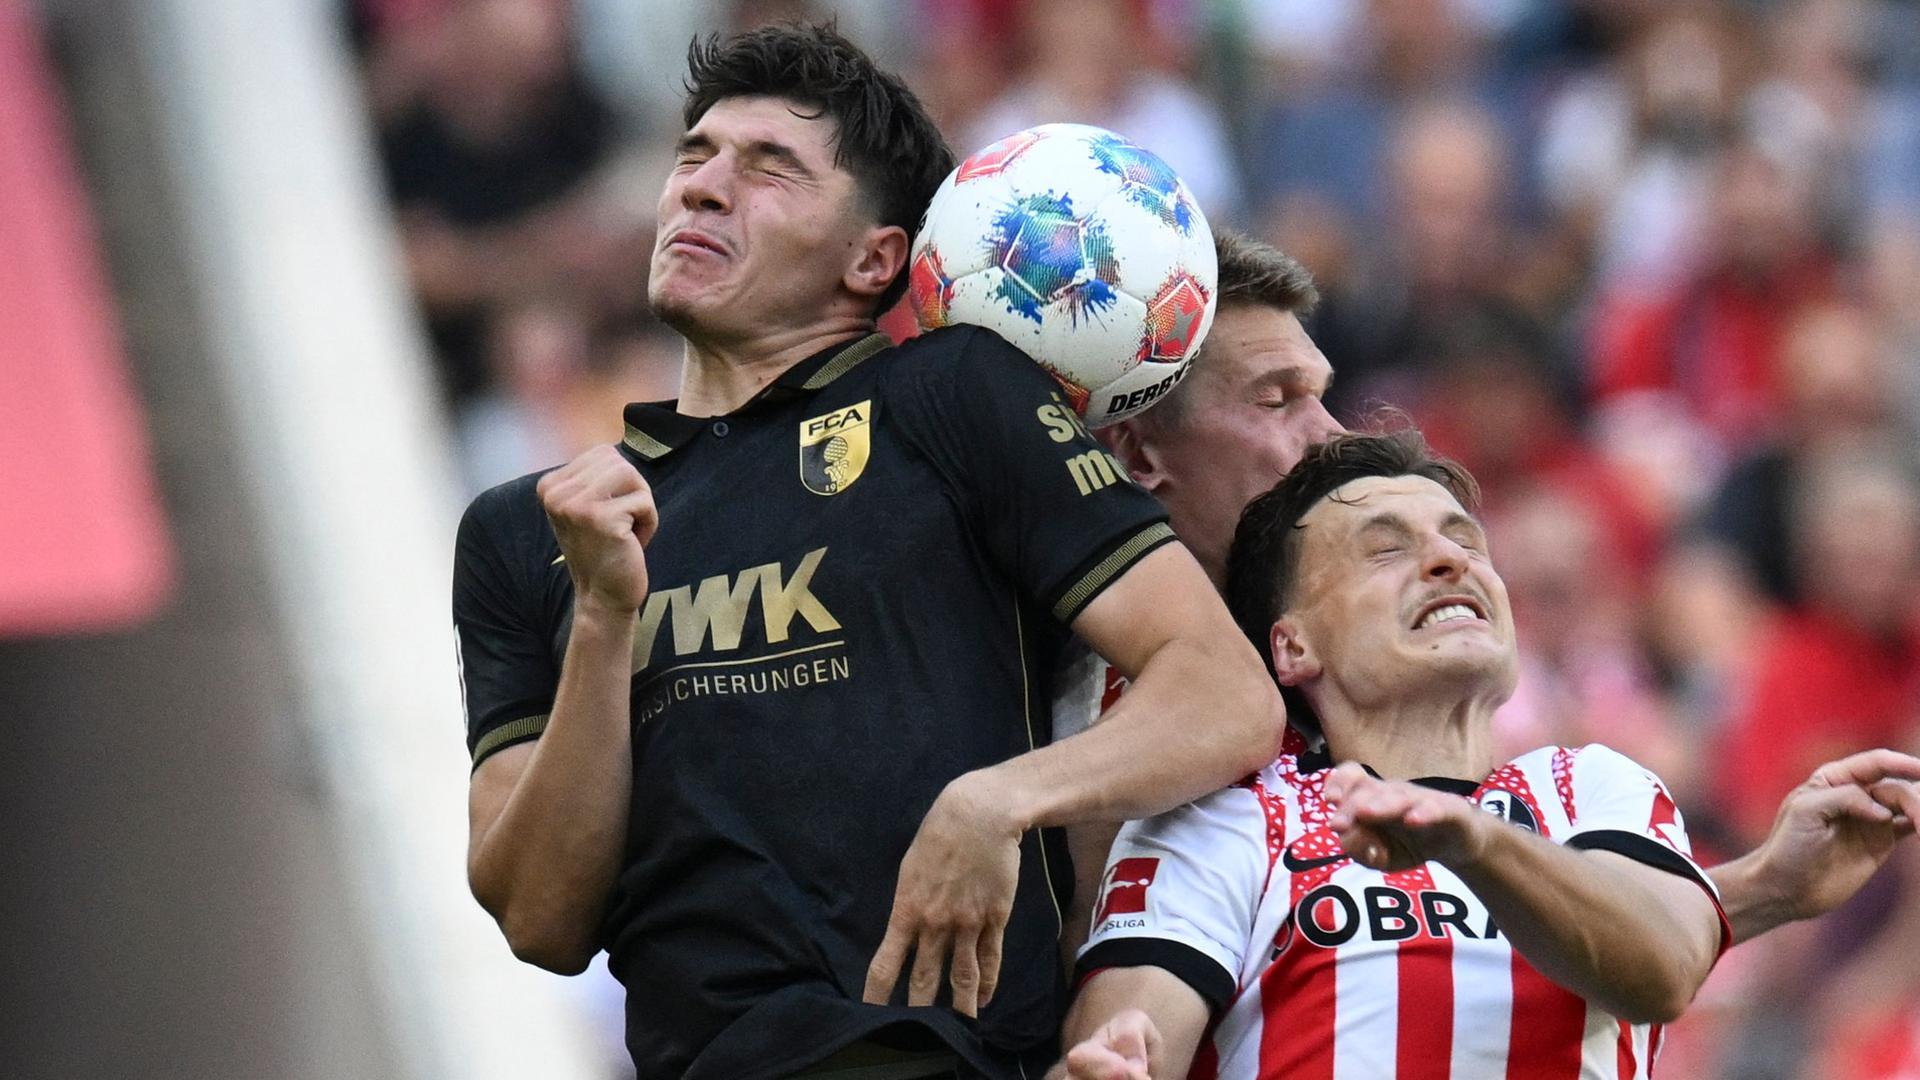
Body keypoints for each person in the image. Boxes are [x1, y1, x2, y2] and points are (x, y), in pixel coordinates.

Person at [452, 24, 1284, 1080]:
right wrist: (606, 618)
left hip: (940, 1053)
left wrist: (999, 799)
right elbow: (539, 918)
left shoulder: (950, 398)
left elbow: (1224, 696)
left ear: (874, 259)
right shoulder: (531, 528)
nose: (704, 189)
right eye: (694, 157)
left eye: (770, 170)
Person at [1059, 228, 1920, 962]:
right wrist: (996, 803)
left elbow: (1448, 937)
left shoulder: (1512, 762)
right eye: (1277, 400)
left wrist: (1757, 887)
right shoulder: (1065, 663)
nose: (1327, 433)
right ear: (1139, 455)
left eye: (1322, 394)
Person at [1055, 430, 1920, 1076]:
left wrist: (1476, 842)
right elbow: (1129, 1041)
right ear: (1292, 648)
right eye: (1386, 548)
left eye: (1466, 540)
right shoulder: (1229, 817)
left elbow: (1663, 967)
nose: (1447, 561)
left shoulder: (1589, 785)